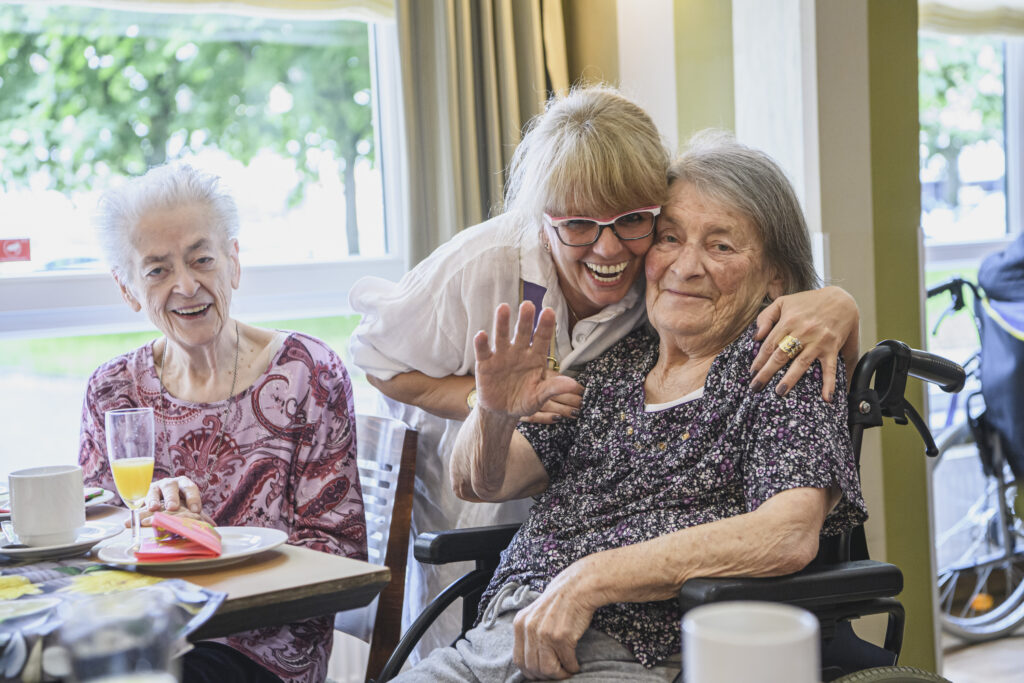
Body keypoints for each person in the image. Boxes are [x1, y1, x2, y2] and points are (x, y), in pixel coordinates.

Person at [348, 85, 861, 653]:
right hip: (508, 624)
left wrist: (589, 579)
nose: (684, 266)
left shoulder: (783, 362)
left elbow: (787, 533)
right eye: (671, 238)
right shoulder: (614, 363)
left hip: (621, 639)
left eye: (720, 247)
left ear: (775, 279)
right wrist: (492, 409)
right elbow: (483, 480)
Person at [78, 163, 366, 683]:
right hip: (138, 637)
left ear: (233, 263)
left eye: (201, 259)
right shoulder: (112, 389)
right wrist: (155, 524)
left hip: (261, 645)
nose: (187, 286)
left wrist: (210, 546)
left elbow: (339, 551)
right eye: (157, 270)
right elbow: (92, 539)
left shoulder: (307, 373)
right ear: (127, 289)